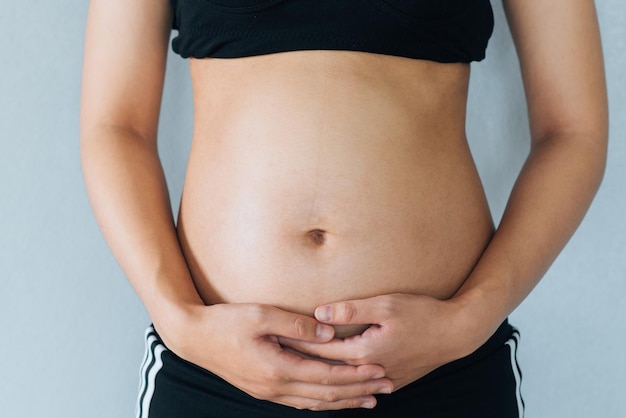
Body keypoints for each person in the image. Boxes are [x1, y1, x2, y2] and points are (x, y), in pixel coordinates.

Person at [80, 0, 607, 417]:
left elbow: (573, 133)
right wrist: (180, 322)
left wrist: (467, 322)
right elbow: (115, 127)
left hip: (440, 369)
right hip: (216, 370)